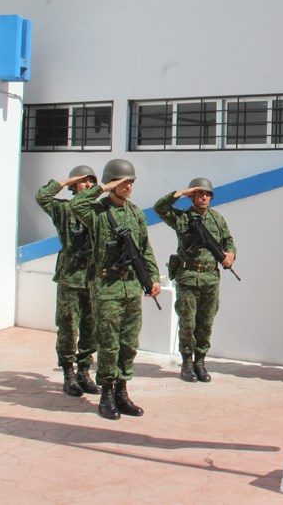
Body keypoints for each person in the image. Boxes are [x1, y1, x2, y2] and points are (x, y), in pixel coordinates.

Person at [71, 159, 161, 420]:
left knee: (129, 343)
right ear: (112, 182)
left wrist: (153, 277)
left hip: (132, 286)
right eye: (122, 181)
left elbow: (144, 248)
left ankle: (122, 391)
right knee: (108, 344)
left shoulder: (135, 213)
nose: (128, 186)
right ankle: (107, 394)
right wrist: (101, 188)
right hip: (107, 288)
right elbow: (76, 205)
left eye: (130, 181)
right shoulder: (97, 212)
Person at [154, 177, 237, 383]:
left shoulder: (217, 219)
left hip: (210, 277)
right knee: (188, 323)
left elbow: (228, 241)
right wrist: (180, 192)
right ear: (193, 196)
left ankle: (200, 362)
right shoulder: (182, 218)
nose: (204, 197)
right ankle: (187, 364)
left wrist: (231, 254)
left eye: (208, 194)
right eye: (200, 193)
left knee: (205, 322)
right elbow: (159, 208)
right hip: (188, 277)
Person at [35, 166, 101, 398]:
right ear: (74, 186)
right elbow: (41, 196)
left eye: (92, 182)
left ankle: (84, 372)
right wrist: (65, 181)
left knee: (90, 328)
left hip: (93, 278)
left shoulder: (99, 210)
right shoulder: (63, 209)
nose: (88, 185)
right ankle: (68, 374)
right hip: (70, 278)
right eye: (83, 182)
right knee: (67, 328)